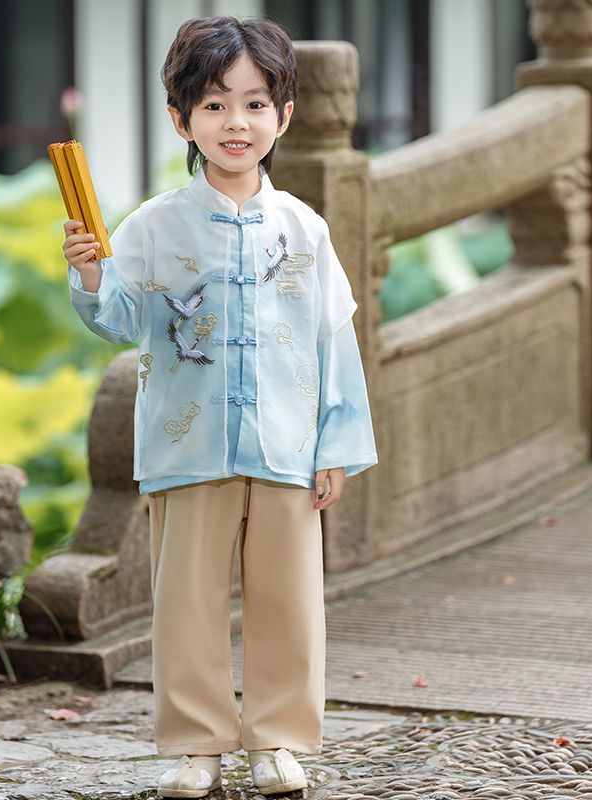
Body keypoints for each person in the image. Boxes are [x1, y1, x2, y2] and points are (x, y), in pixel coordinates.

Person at [62, 14, 378, 798]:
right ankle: (196, 745)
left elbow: (333, 342)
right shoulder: (152, 225)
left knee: (289, 602)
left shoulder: (305, 229)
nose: (235, 122)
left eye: (254, 103)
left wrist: (334, 444)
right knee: (187, 604)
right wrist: (93, 275)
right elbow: (120, 322)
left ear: (284, 117)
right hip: (187, 442)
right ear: (182, 119)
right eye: (213, 105)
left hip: (285, 443)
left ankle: (278, 739)